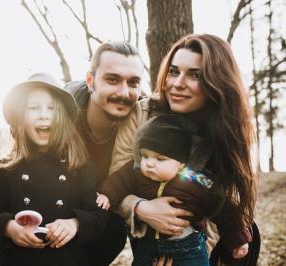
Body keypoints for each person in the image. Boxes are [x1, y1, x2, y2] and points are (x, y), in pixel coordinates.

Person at [110, 34, 258, 265]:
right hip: (146, 238)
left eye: (195, 75)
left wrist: (186, 255)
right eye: (173, 71)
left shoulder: (226, 129)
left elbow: (220, 203)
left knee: (248, 235)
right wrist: (140, 208)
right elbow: (117, 176)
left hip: (194, 243)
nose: (177, 83)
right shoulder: (143, 113)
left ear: (215, 82)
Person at [0, 73, 109, 266]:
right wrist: (10, 227)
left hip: (65, 260)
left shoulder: (78, 165)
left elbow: (98, 215)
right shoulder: (8, 166)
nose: (43, 114)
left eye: (51, 108)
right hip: (17, 259)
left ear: (62, 118)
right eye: (34, 108)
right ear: (20, 118)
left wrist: (75, 224)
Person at [99, 113, 251, 265]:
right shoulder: (138, 173)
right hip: (148, 244)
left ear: (181, 163)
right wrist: (107, 194)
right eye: (145, 156)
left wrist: (238, 239)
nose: (149, 163)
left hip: (188, 246)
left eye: (160, 159)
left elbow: (223, 206)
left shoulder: (195, 179)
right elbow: (118, 180)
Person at [65, 41, 145, 265]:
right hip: (59, 216)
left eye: (133, 82)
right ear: (90, 81)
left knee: (111, 234)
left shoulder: (147, 120)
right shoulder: (59, 114)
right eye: (112, 79)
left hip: (107, 225)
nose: (124, 92)